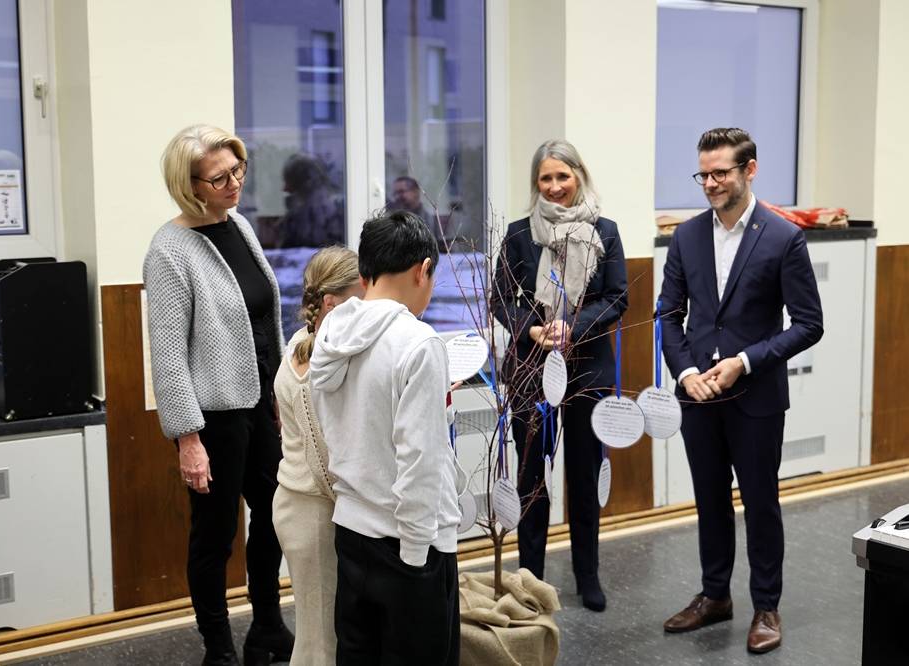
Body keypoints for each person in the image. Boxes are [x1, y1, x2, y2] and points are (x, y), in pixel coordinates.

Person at [658, 127, 823, 654]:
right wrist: (685, 374)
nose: (709, 183)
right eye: (702, 174)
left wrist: (746, 362)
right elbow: (668, 314)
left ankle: (766, 607)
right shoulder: (685, 236)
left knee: (760, 502)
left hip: (755, 397)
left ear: (749, 170)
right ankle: (714, 596)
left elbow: (808, 324)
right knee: (709, 500)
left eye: (720, 173)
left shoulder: (782, 237)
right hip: (697, 396)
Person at [143, 124, 294, 666]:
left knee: (276, 515)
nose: (235, 183)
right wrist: (188, 439)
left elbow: (264, 320)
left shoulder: (240, 227)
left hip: (260, 406)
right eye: (220, 177)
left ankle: (269, 628)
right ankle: (219, 649)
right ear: (190, 186)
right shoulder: (169, 251)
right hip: (212, 417)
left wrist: (282, 393)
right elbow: (167, 356)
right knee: (214, 537)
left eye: (239, 171)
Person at [309, 211, 462, 665]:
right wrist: (416, 556)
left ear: (363, 274)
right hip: (410, 546)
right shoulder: (418, 343)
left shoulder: (331, 333)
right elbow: (421, 461)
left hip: (352, 532)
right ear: (424, 270)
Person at [490, 139, 628, 612]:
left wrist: (574, 327)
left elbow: (616, 297)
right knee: (532, 479)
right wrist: (530, 328)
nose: (554, 188)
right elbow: (499, 299)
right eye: (545, 179)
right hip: (531, 369)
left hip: (587, 367)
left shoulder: (605, 232)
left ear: (578, 177)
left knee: (584, 477)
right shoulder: (517, 235)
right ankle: (531, 580)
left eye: (562, 177)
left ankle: (587, 575)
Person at [272, 246, 364, 665]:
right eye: (360, 297)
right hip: (311, 511)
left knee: (325, 634)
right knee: (318, 644)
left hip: (304, 506)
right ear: (332, 302)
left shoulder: (302, 343)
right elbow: (321, 460)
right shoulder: (315, 368)